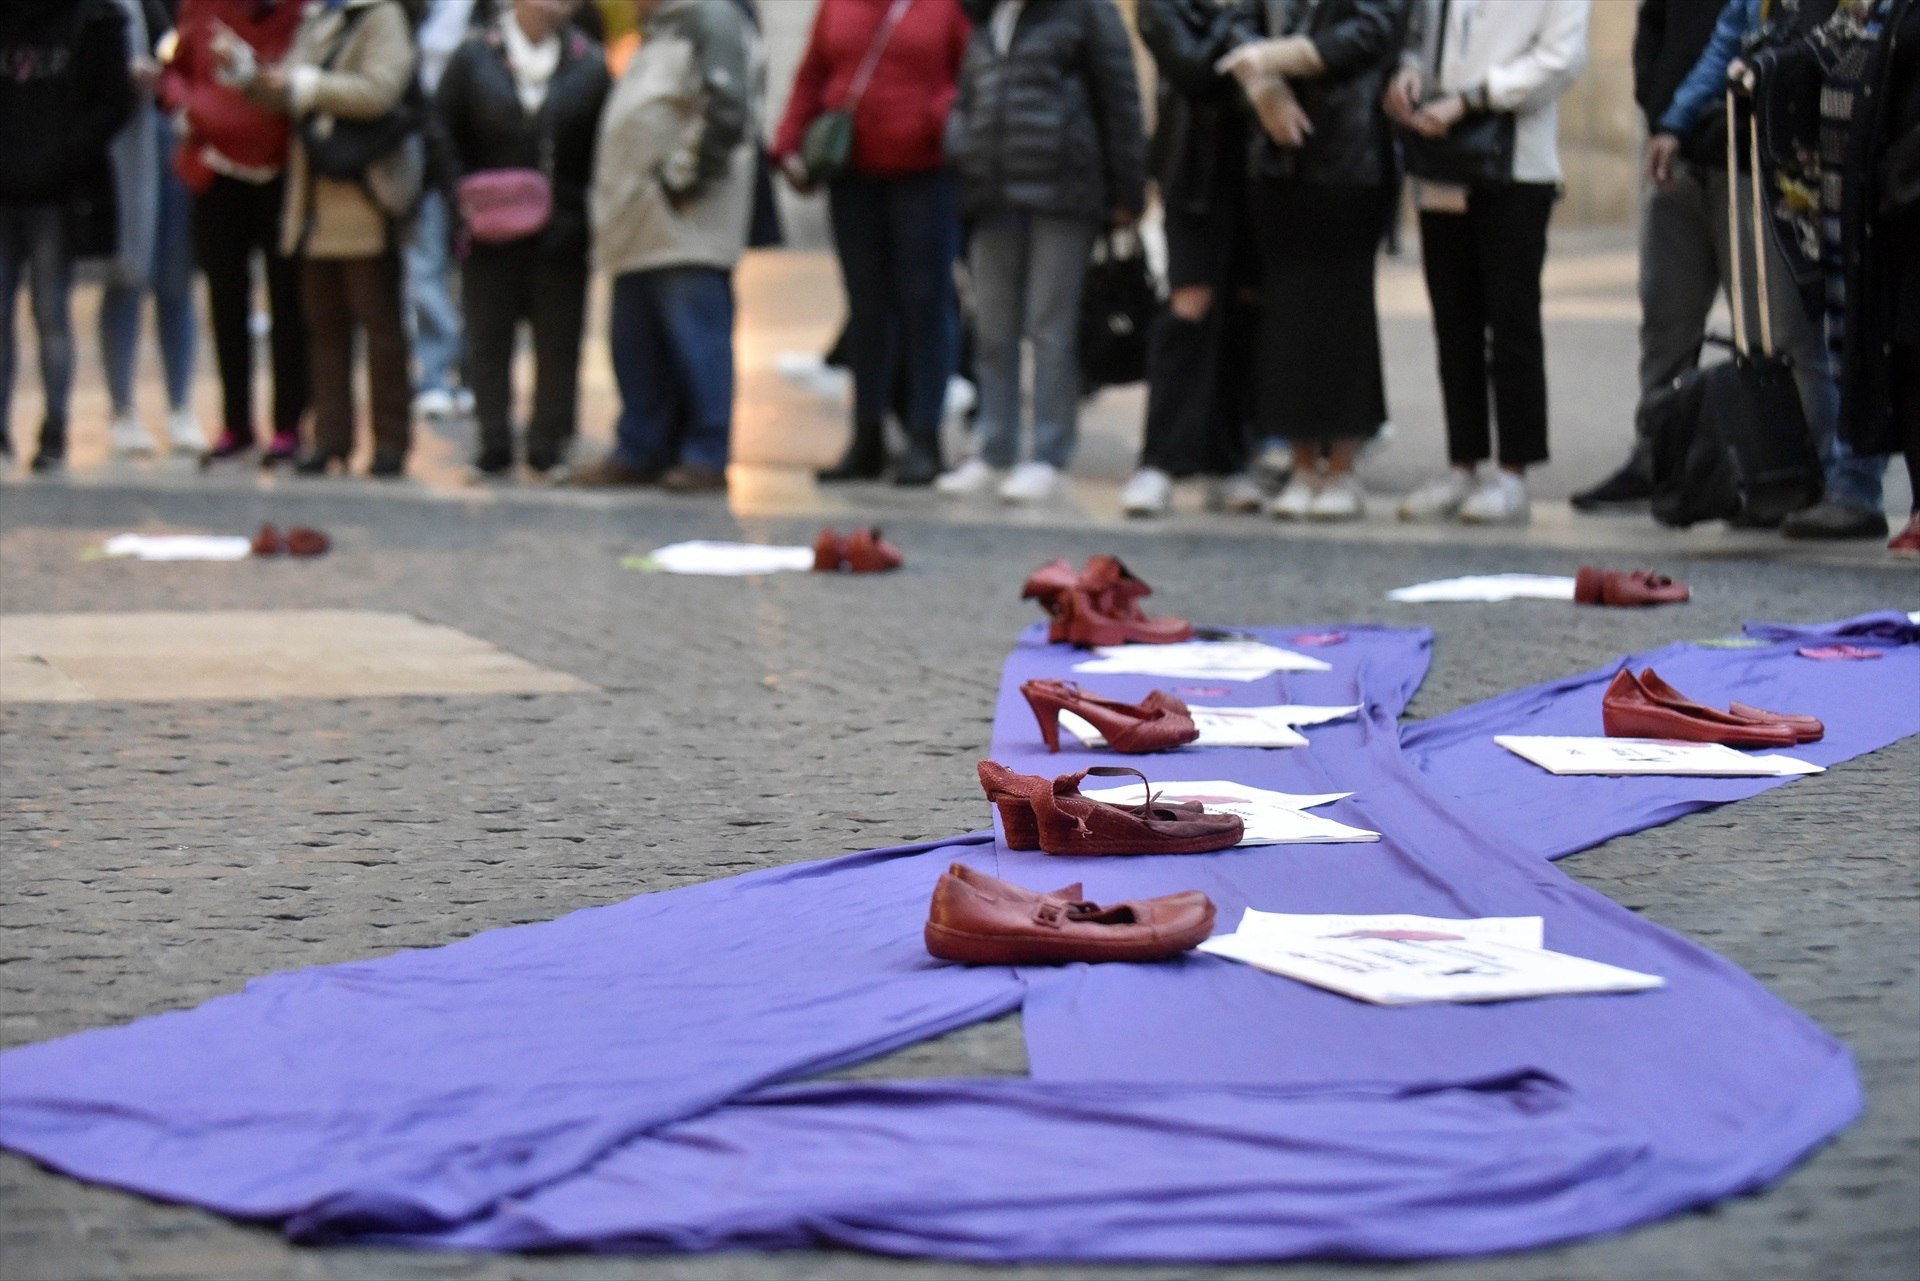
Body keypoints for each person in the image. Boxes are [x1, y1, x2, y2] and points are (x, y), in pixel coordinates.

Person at [1572, 0, 1849, 520]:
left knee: (1780, 331)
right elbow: (1703, 40)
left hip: (1761, 154)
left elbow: (1819, 42)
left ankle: (1808, 476)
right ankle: (1666, 462)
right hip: (1687, 147)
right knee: (1666, 324)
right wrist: (1668, 117)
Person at [1387, 0, 1590, 526]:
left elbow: (1561, 59)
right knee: (1454, 321)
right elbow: (1420, 31)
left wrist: (1475, 98)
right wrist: (1410, 71)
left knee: (1512, 320)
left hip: (1515, 163)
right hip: (1442, 158)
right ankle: (1461, 465)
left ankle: (1512, 474)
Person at [935, 0, 1146, 504]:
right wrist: (959, 143)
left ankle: (1049, 453)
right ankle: (994, 447)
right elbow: (969, 92)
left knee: (1050, 328)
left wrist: (1127, 189)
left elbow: (1120, 97)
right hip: (992, 190)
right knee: (992, 329)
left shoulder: (1085, 12)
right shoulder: (987, 15)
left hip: (1062, 189)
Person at [1218, 0, 1407, 522]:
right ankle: (1302, 465)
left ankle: (1342, 467)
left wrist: (1276, 57)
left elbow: (1374, 29)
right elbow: (1236, 21)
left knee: (1344, 308)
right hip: (1276, 152)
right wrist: (1264, 86)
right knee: (1287, 312)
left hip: (1353, 148)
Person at [773, 0, 971, 488]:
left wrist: (936, 117)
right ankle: (867, 434)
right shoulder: (838, 6)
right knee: (866, 306)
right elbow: (813, 76)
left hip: (925, 174)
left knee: (925, 302)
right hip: (854, 174)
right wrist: (788, 143)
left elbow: (970, 76)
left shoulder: (947, 7)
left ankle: (925, 435)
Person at [226, 0, 423, 478]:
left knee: (380, 328)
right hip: (311, 203)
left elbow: (380, 91)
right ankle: (331, 438)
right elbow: (288, 89)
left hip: (363, 197)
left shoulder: (381, 17)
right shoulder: (322, 17)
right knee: (323, 329)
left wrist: (307, 86)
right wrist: (246, 75)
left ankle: (390, 442)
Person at [570, 0, 760, 492]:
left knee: (697, 342)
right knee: (637, 348)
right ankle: (642, 447)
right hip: (639, 226)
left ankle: (704, 452)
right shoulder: (659, 32)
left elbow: (728, 105)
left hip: (683, 227)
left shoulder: (711, 19)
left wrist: (682, 181)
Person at [1759, 0, 1918, 549]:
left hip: (1893, 188)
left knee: (1895, 342)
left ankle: (1859, 486)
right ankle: (1856, 485)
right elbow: (1824, 42)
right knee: (1859, 341)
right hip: (1851, 191)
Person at [438, 0, 610, 480]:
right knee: (488, 340)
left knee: (558, 341)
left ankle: (549, 445)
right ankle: (493, 441)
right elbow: (441, 131)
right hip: (488, 229)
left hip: (563, 230)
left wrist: (582, 213)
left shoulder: (588, 63)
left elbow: (602, 146)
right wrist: (462, 199)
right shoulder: (474, 57)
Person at [1120, 0, 1264, 519]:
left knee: (1245, 310)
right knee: (1190, 306)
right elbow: (1196, 69)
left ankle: (1229, 460)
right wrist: (1240, 20)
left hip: (1258, 168)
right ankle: (1159, 462)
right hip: (1192, 173)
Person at [159, 0, 310, 466]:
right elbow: (176, 69)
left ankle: (289, 424)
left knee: (288, 300)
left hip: (281, 166)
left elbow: (299, 80)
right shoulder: (201, 7)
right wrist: (184, 104)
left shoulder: (299, 12)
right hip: (215, 169)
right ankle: (235, 423)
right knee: (225, 300)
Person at [0, 0, 137, 472]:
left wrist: (62, 155)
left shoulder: (94, 18)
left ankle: (55, 428)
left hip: (59, 189)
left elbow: (114, 101)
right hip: (10, 187)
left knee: (50, 312)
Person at [101, 0, 204, 459]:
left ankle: (181, 406)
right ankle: (122, 409)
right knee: (127, 275)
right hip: (125, 139)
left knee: (176, 281)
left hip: (181, 135)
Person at [408, 0, 477, 424]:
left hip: (479, 158)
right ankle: (435, 375)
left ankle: (470, 376)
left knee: (474, 275)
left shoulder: (483, 12)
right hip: (423, 156)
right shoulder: (414, 10)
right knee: (425, 268)